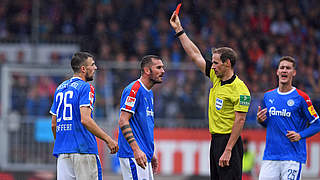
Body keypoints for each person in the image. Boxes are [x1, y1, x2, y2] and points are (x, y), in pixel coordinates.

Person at [170, 12, 251, 180]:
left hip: (230, 143)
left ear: (227, 63)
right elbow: (195, 55)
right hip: (215, 141)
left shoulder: (240, 89)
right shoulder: (216, 78)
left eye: (215, 63)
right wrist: (179, 30)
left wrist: (228, 150)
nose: (212, 66)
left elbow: (240, 120)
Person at [50, 52, 119, 180]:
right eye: (92, 65)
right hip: (83, 150)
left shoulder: (60, 88)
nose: (95, 68)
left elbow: (54, 124)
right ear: (83, 69)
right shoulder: (86, 87)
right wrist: (108, 139)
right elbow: (85, 119)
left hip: (63, 151)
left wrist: (63, 142)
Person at [257, 56, 320, 180]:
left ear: (294, 73)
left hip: (292, 157)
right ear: (277, 72)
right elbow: (268, 123)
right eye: (282, 68)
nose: (284, 70)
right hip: (271, 156)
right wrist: (261, 121)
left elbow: (317, 124)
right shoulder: (268, 96)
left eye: (288, 68)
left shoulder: (302, 97)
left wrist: (300, 135)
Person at [117, 55, 165, 180]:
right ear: (147, 70)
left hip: (144, 154)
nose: (163, 71)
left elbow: (141, 125)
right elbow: (123, 120)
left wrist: (150, 152)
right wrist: (136, 150)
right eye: (158, 67)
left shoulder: (149, 92)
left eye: (163, 68)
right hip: (133, 154)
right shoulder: (134, 89)